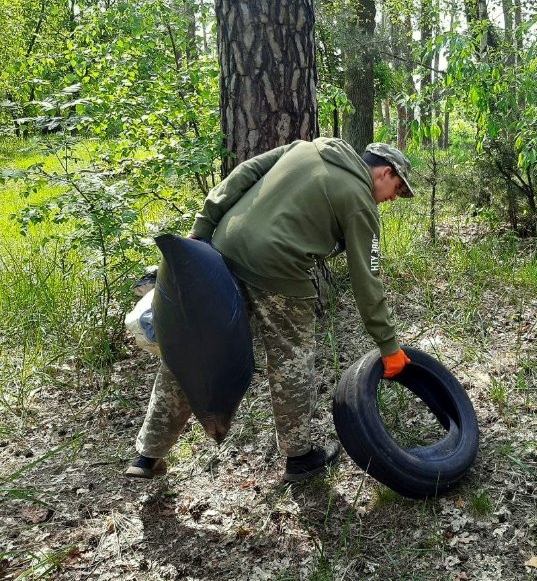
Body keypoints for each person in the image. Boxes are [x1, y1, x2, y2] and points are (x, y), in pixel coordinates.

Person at [125, 138, 414, 481]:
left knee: (192, 354)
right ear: (384, 171)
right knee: (291, 362)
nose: (393, 198)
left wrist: (201, 229)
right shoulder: (360, 203)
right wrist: (388, 346)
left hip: (223, 254)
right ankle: (299, 457)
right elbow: (368, 279)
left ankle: (147, 456)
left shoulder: (308, 148)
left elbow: (243, 173)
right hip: (279, 275)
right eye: (397, 189)